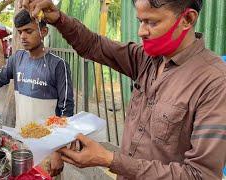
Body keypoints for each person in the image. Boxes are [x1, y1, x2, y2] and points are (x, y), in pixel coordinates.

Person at [20, 0, 226, 179]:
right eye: (140, 21)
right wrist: (58, 18)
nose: (141, 31)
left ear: (187, 19)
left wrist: (109, 159)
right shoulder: (146, 59)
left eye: (152, 22)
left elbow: (201, 175)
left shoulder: (214, 81)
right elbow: (94, 45)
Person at [0, 9, 74, 177]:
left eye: (28, 31)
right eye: (20, 32)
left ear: (43, 31)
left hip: (47, 148)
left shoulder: (58, 65)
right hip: (20, 143)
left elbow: (66, 111)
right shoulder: (17, 59)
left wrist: (58, 151)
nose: (23, 36)